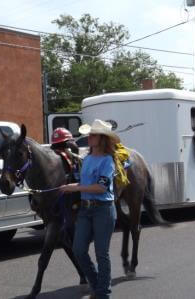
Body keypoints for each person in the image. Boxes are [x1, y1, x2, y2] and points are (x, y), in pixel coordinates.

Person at [60, 119, 118, 299]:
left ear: (102, 139)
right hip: (85, 210)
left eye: (93, 135)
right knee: (78, 250)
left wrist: (75, 188)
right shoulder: (88, 159)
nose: (89, 138)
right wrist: (71, 185)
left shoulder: (108, 161)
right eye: (89, 134)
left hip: (103, 210)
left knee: (102, 253)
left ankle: (103, 293)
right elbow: (86, 184)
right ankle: (96, 285)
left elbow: (101, 187)